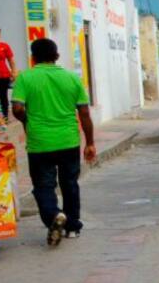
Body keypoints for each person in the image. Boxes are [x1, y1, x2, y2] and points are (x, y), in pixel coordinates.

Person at [10, 38, 96, 246]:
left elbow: (17, 109)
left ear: (33, 58)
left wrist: (27, 122)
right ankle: (72, 227)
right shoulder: (72, 78)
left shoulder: (25, 78)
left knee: (43, 186)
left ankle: (54, 216)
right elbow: (84, 112)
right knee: (69, 183)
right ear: (56, 56)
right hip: (68, 141)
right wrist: (90, 142)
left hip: (40, 143)